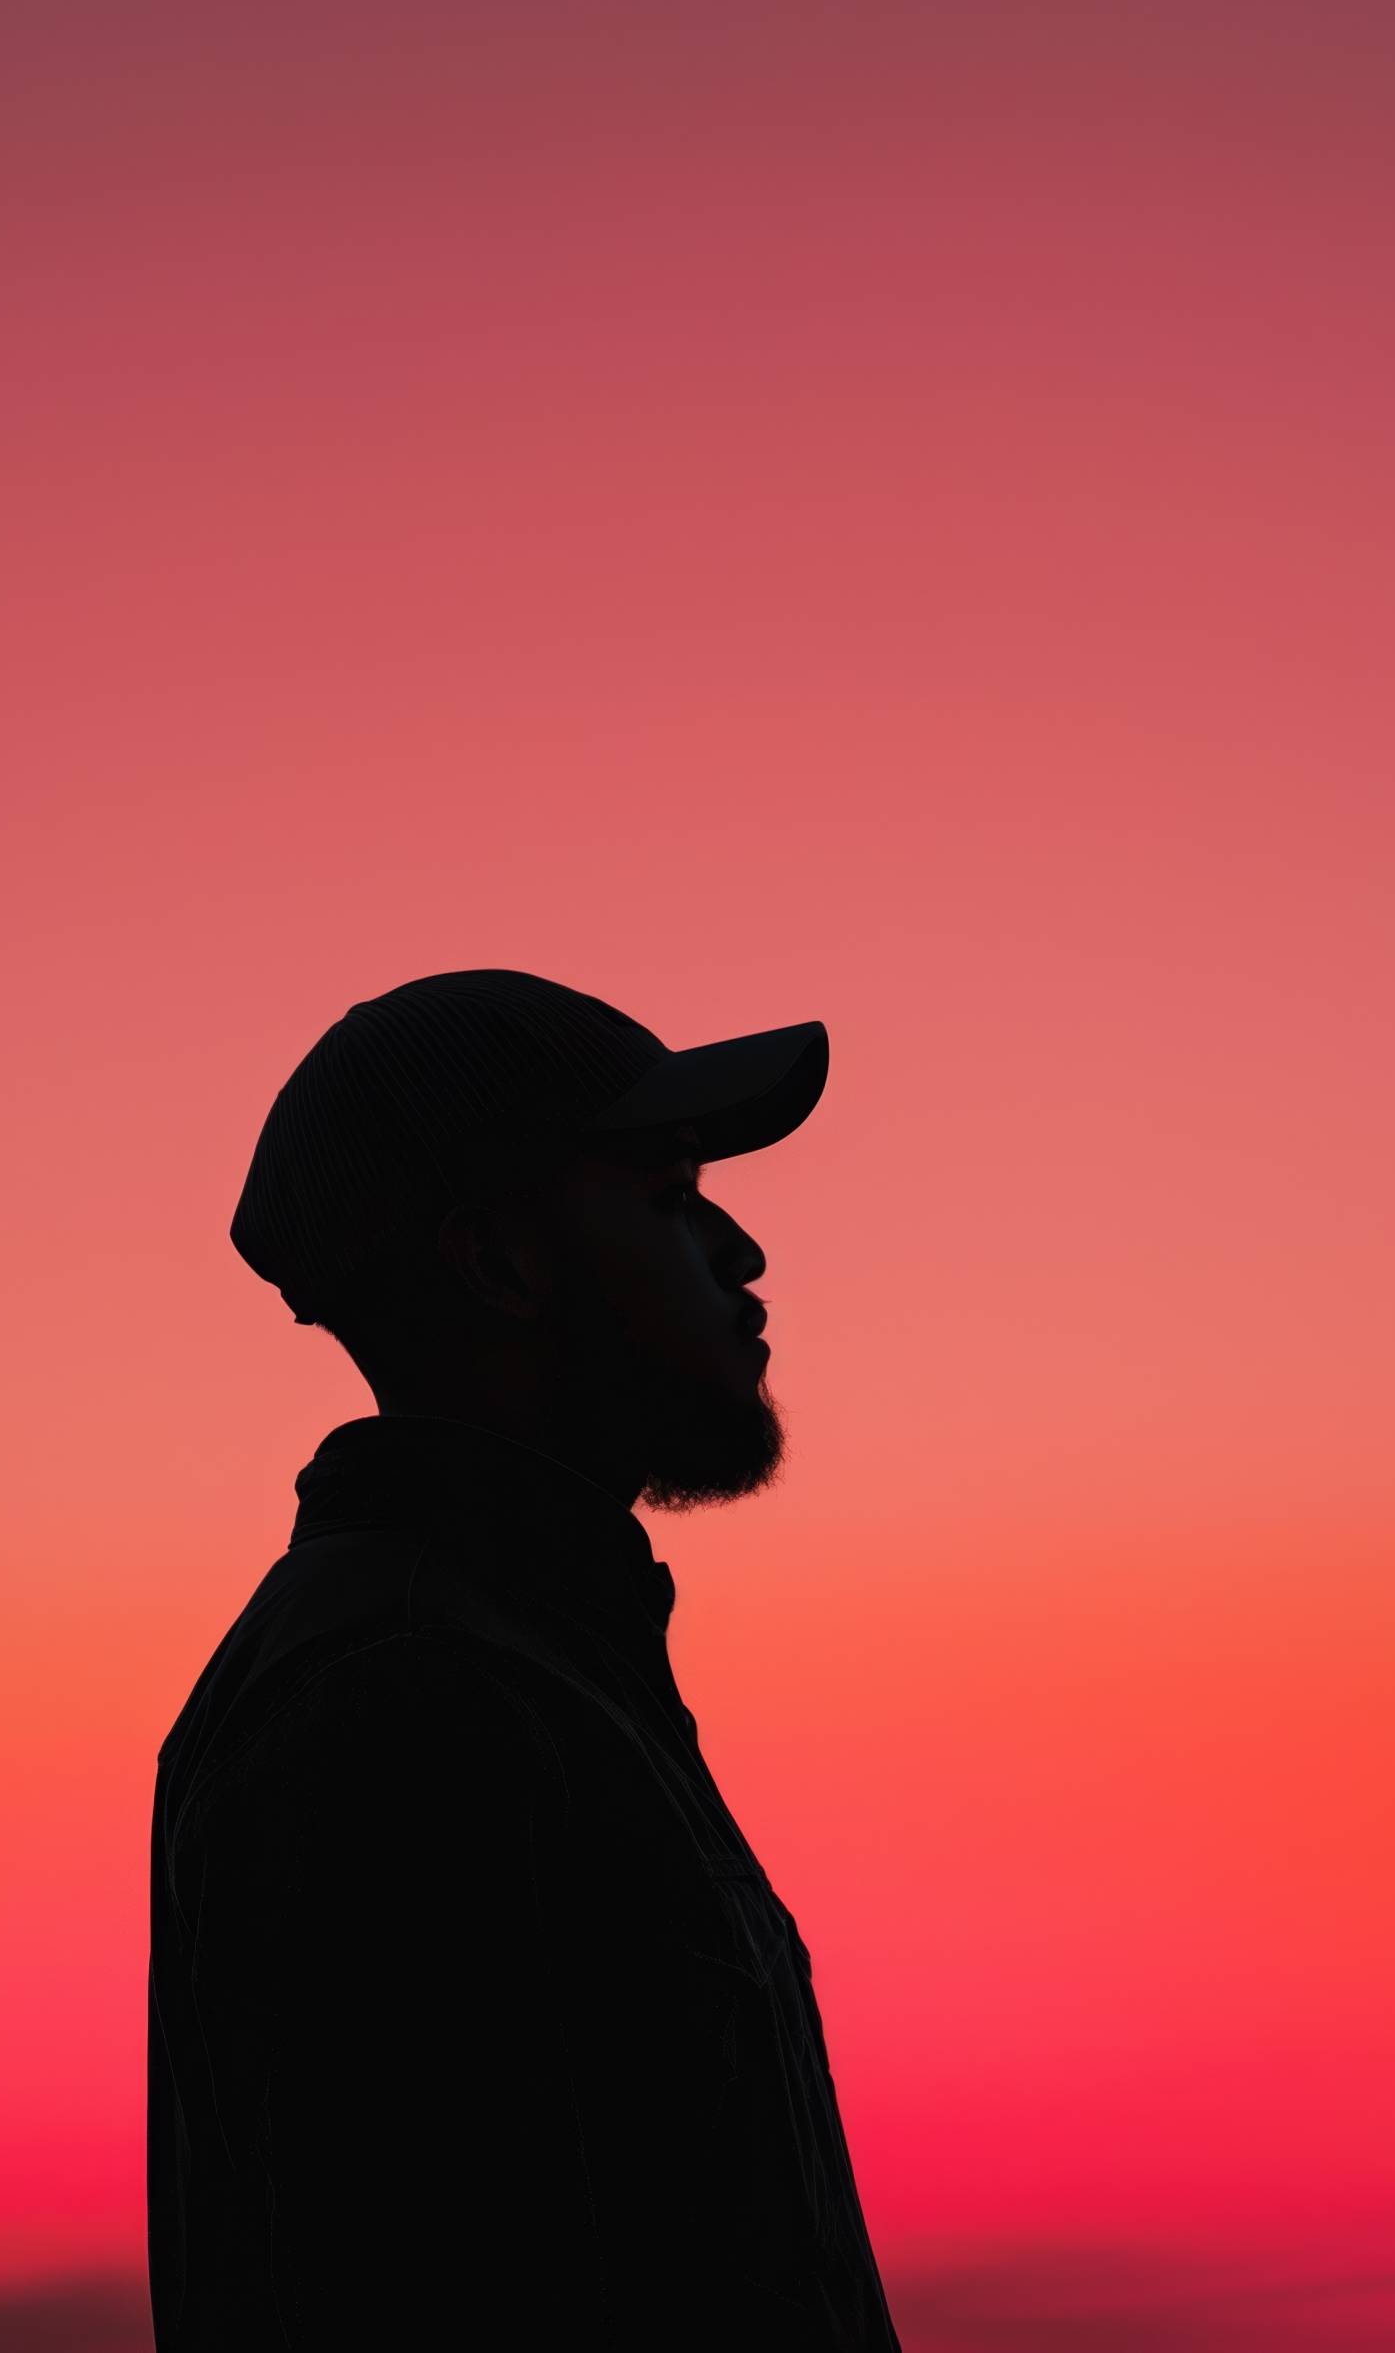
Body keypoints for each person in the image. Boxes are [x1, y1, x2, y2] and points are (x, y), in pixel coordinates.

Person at [145, 967, 902, 2350]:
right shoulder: (402, 1694)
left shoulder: (528, 1660)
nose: (741, 1251)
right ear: (498, 1261)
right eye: (667, 1196)